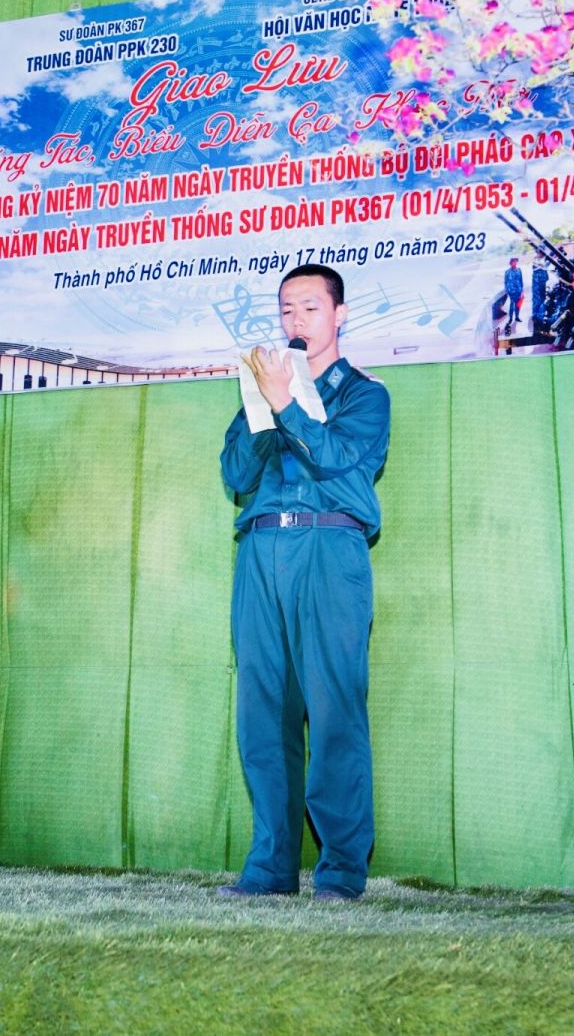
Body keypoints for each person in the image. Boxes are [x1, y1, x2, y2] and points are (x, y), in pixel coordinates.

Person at [219, 264, 390, 902]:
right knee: (263, 711)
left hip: (328, 548)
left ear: (339, 315)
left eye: (311, 308)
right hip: (261, 548)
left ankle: (341, 870)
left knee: (334, 707)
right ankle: (270, 866)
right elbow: (236, 472)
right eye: (288, 309)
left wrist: (288, 404)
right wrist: (265, 409)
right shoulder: (262, 386)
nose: (297, 321)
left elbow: (339, 460)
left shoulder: (365, 395)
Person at [503, 257, 525, 332]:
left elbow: (521, 280)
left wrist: (522, 290)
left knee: (518, 305)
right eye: (513, 262)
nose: (515, 263)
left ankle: (517, 317)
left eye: (516, 261)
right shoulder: (507, 272)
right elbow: (505, 282)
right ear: (510, 263)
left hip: (518, 291)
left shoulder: (519, 270)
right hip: (511, 291)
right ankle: (510, 318)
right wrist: (507, 291)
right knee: (511, 305)